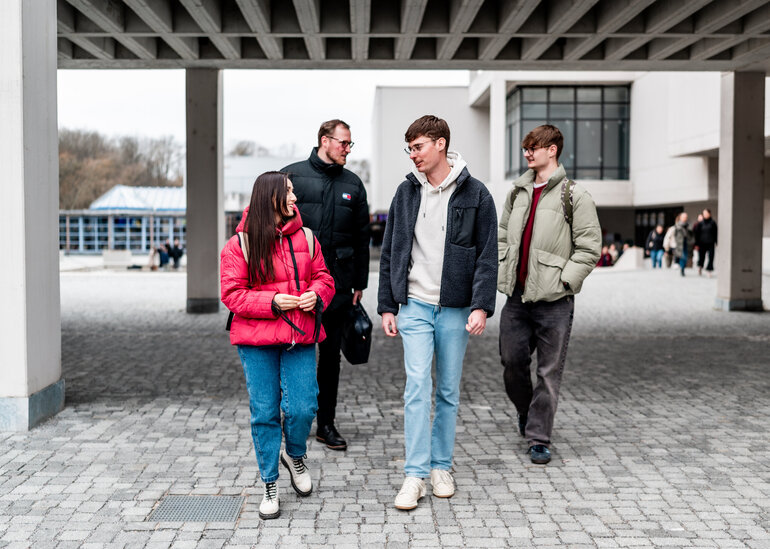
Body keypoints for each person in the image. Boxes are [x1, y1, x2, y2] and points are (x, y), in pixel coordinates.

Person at [378, 115, 497, 510]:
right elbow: (390, 251)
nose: (413, 155)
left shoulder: (476, 194)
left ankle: (441, 466)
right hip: (413, 306)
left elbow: (486, 257)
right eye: (409, 148)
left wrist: (480, 305)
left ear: (440, 144)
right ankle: (414, 475)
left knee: (447, 389)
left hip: (455, 308)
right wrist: (386, 305)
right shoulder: (405, 193)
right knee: (416, 387)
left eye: (419, 147)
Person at [220, 171, 335, 520]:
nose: (294, 199)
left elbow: (324, 277)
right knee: (265, 413)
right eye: (288, 192)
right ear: (270, 197)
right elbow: (232, 294)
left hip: (299, 335)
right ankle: (270, 482)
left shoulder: (309, 238)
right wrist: (274, 302)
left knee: (302, 408)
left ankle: (295, 455)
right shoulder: (238, 245)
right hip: (256, 341)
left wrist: (317, 294)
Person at [497, 124, 601, 465]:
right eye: (526, 148)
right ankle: (526, 411)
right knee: (512, 364)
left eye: (534, 147)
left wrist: (565, 282)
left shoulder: (575, 196)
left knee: (548, 373)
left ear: (552, 150)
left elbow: (589, 248)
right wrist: (503, 270)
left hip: (555, 302)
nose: (527, 153)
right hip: (517, 298)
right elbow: (500, 236)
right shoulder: (517, 193)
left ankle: (539, 436)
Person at [282, 120, 370, 451]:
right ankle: (292, 418)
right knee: (291, 349)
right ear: (325, 141)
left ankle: (326, 424)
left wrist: (359, 282)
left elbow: (363, 238)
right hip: (296, 285)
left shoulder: (353, 184)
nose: (348, 149)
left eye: (350, 144)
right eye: (344, 143)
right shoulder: (290, 176)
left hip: (338, 286)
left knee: (330, 357)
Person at [694, 208, 717, 276]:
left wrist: (716, 242)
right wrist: (696, 244)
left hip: (711, 242)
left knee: (711, 256)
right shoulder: (700, 223)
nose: (705, 215)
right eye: (704, 213)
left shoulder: (713, 223)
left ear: (709, 214)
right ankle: (700, 267)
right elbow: (697, 234)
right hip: (702, 243)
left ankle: (709, 270)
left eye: (706, 213)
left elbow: (715, 233)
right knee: (701, 257)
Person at [674, 212, 694, 276]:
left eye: (686, 217)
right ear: (680, 217)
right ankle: (682, 269)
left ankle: (682, 268)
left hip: (687, 244)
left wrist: (692, 241)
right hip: (680, 244)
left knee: (686, 257)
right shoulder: (677, 226)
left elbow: (692, 235)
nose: (685, 218)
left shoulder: (688, 225)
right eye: (683, 217)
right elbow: (675, 235)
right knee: (682, 256)